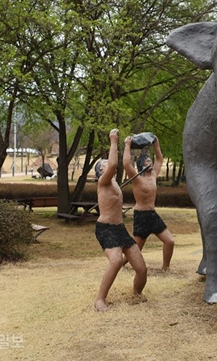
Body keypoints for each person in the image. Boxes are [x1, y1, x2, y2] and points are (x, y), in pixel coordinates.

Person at [94, 128, 147, 312]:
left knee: (141, 268)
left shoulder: (115, 182)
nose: (107, 163)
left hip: (120, 229)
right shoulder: (104, 182)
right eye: (104, 163)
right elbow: (114, 165)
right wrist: (113, 141)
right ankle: (100, 299)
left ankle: (137, 293)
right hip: (105, 229)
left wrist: (126, 145)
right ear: (101, 171)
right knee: (116, 261)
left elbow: (124, 163)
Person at [123, 134, 174, 271]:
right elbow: (126, 164)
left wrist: (156, 142)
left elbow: (159, 159)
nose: (150, 162)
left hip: (153, 214)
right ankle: (120, 264)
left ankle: (165, 268)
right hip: (141, 215)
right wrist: (127, 145)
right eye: (146, 161)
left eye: (150, 160)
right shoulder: (136, 178)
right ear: (141, 164)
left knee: (170, 241)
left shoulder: (153, 175)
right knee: (135, 248)